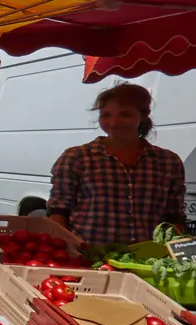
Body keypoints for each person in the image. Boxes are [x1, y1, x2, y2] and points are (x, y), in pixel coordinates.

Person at [48, 83, 186, 245]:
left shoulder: (168, 162)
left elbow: (174, 217)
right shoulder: (77, 157)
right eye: (106, 115)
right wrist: (65, 248)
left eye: (125, 115)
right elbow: (58, 211)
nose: (114, 122)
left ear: (143, 115)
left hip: (147, 261)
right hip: (89, 257)